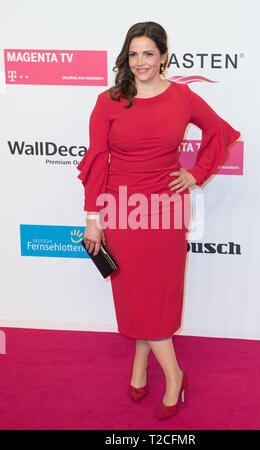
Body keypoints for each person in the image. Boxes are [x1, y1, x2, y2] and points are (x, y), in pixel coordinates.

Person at [76, 21, 241, 420]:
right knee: (134, 293)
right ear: (126, 58)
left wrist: (197, 173)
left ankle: (165, 374)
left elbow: (220, 132)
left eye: (149, 53)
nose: (140, 62)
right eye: (133, 54)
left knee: (156, 294)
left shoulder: (183, 98)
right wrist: (93, 217)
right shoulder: (109, 100)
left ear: (164, 56)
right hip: (121, 209)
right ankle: (165, 371)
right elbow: (98, 160)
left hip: (166, 210)